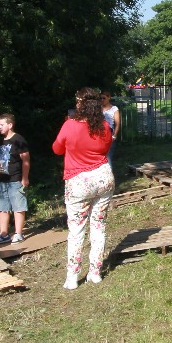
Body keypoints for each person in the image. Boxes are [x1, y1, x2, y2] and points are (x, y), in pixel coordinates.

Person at [53, 88, 114, 288]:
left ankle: (72, 277)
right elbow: (105, 148)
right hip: (103, 178)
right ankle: (95, 273)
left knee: (77, 230)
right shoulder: (104, 126)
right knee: (99, 226)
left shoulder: (69, 125)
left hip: (79, 182)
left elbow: (57, 149)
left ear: (80, 103)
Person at [0, 113, 30, 244]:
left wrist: (25, 178)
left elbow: (26, 160)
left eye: (2, 125)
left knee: (18, 206)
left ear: (10, 125)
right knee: (2, 207)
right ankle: (3, 234)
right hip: (2, 180)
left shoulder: (19, 140)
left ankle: (18, 233)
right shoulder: (0, 141)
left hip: (15, 179)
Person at [101, 92, 121, 165]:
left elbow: (117, 123)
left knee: (108, 157)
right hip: (99, 133)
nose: (102, 100)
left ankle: (110, 170)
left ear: (109, 98)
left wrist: (114, 136)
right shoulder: (98, 108)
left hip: (109, 133)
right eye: (101, 98)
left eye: (104, 98)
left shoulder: (114, 109)